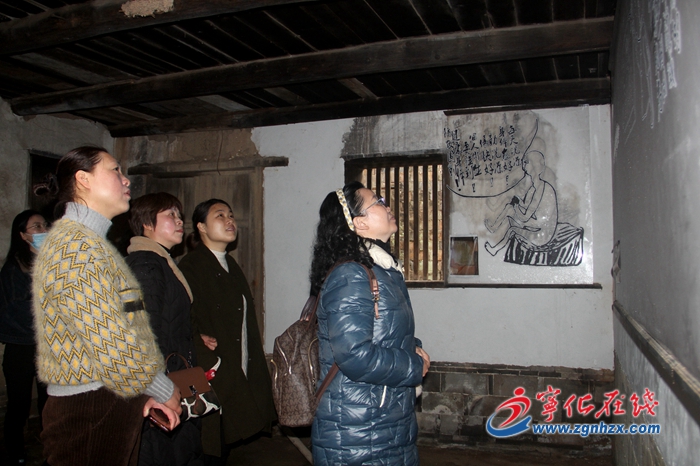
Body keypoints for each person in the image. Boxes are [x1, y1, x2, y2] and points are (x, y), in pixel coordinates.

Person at [31, 146, 181, 466]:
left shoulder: (90, 242)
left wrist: (142, 393)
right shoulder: (75, 245)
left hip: (109, 396)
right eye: (115, 170)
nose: (126, 180)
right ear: (83, 179)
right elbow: (111, 342)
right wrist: (162, 388)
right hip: (90, 405)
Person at [309, 181, 430, 466]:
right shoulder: (350, 275)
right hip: (357, 429)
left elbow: (385, 333)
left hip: (383, 417)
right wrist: (413, 365)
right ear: (359, 223)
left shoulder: (383, 271)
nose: (387, 206)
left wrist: (413, 346)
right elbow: (354, 354)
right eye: (378, 201)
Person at [178, 199, 275, 466]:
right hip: (214, 371)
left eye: (231, 215)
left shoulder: (230, 265)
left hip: (236, 365)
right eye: (219, 215)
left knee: (226, 446)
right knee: (211, 446)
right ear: (201, 227)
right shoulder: (191, 266)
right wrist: (202, 346)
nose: (229, 220)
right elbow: (184, 318)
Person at [125, 193, 204, 466]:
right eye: (170, 215)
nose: (180, 221)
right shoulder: (145, 265)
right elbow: (140, 333)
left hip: (174, 377)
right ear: (147, 223)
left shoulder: (161, 261)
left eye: (179, 215)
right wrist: (158, 388)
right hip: (160, 387)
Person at [0, 210, 50, 465]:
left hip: (48, 348)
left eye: (44, 225)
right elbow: (22, 311)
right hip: (21, 347)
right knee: (19, 405)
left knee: (49, 403)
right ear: (22, 235)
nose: (43, 230)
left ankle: (50, 449)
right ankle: (16, 453)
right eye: (36, 227)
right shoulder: (14, 269)